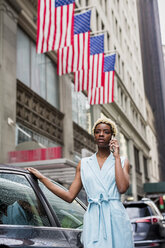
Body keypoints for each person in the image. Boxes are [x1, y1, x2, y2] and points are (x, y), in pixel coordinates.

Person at [27, 117, 134, 248]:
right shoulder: (84, 163)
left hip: (116, 217)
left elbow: (122, 188)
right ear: (94, 135)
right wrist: (43, 178)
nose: (101, 134)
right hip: (93, 218)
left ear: (112, 136)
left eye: (106, 132)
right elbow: (69, 196)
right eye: (97, 131)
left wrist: (116, 156)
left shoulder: (123, 161)